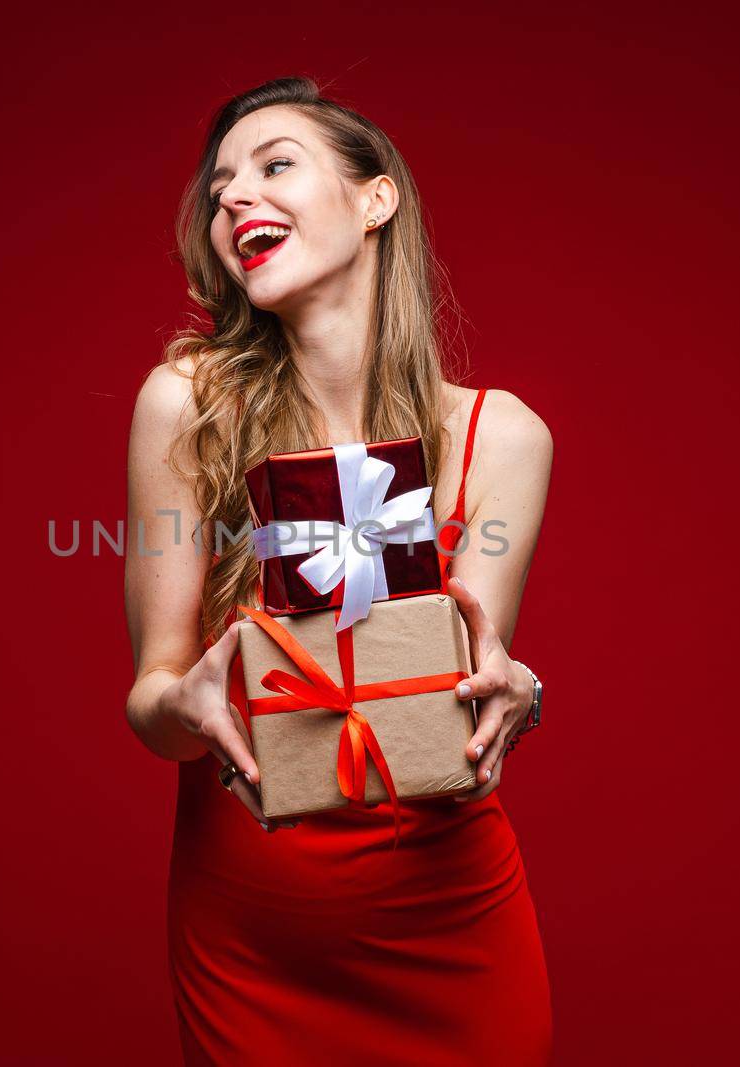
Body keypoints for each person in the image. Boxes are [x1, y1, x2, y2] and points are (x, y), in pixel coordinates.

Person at [124, 76, 556, 1064]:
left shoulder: (500, 436)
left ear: (376, 198)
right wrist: (181, 701)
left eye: (275, 165)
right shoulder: (186, 404)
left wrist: (518, 691)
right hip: (254, 937)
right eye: (221, 183)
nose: (235, 196)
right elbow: (153, 704)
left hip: (450, 924)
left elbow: (460, 691)